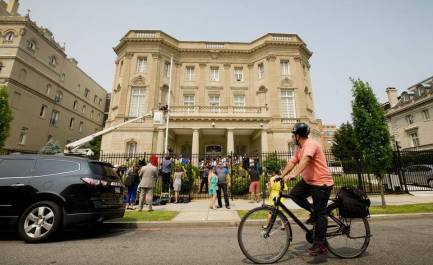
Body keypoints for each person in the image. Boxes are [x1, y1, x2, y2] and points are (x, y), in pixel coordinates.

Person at [281, 122, 334, 256]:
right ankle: (313, 211)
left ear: (298, 136)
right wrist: (281, 175)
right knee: (295, 194)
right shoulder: (299, 147)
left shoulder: (311, 144)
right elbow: (293, 161)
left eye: (293, 135)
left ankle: (320, 244)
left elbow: (305, 160)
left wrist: (293, 175)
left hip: (321, 183)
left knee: (320, 214)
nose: (292, 138)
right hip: (309, 181)